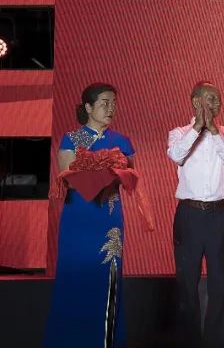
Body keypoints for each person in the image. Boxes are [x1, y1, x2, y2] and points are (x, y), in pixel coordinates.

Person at [44, 83, 136, 347]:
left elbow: (131, 178)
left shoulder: (122, 142)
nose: (111, 108)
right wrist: (103, 170)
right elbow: (68, 179)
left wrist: (115, 171)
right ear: (88, 107)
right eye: (105, 103)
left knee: (106, 279)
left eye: (113, 103)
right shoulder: (71, 139)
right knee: (75, 278)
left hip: (108, 219)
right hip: (79, 218)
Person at [167, 81, 224, 348]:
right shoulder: (178, 133)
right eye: (209, 98)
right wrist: (198, 126)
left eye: (218, 99)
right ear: (195, 101)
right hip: (190, 215)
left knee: (220, 282)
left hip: (219, 215)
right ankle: (189, 341)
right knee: (187, 282)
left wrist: (212, 128)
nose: (215, 104)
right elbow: (177, 155)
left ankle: (216, 341)